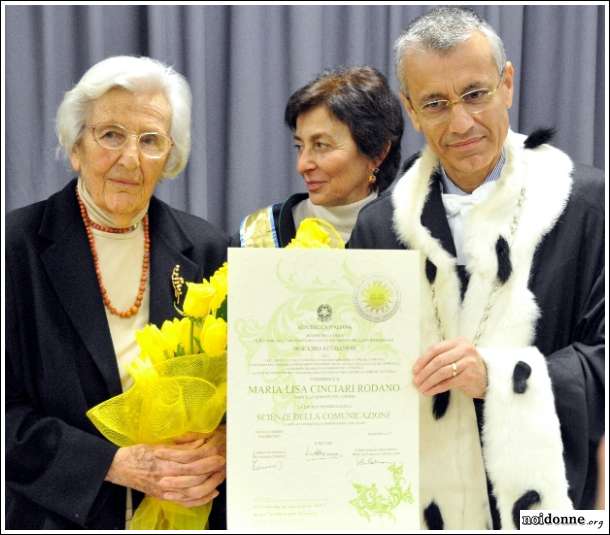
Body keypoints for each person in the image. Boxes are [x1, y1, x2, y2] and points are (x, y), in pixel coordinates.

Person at [349, 7, 604, 530]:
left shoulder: (589, 205)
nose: (461, 123)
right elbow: (357, 376)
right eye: (436, 104)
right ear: (411, 111)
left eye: (475, 94)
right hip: (415, 508)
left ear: (507, 84)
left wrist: (502, 376)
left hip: (552, 510)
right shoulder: (379, 227)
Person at [6, 56, 228, 529]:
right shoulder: (15, 248)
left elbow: (246, 389)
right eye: (111, 135)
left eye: (150, 141)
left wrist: (224, 440)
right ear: (76, 146)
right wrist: (111, 463)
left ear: (170, 156)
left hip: (188, 511)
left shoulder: (207, 247)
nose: (130, 159)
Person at [235, 65, 403, 246]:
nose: (302, 165)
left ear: (378, 153)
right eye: (299, 146)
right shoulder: (259, 237)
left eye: (321, 145)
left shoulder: (410, 238)